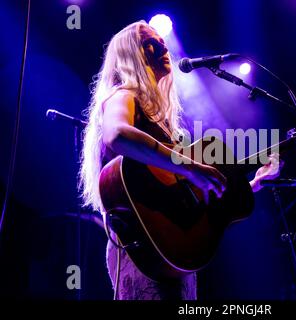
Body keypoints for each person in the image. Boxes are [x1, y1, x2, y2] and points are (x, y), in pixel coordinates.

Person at [79, 21, 283, 300]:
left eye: (163, 41)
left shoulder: (161, 124)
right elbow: (117, 134)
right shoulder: (123, 95)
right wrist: (190, 166)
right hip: (146, 250)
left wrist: (254, 183)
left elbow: (184, 197)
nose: (164, 45)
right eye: (150, 41)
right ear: (132, 54)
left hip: (172, 251)